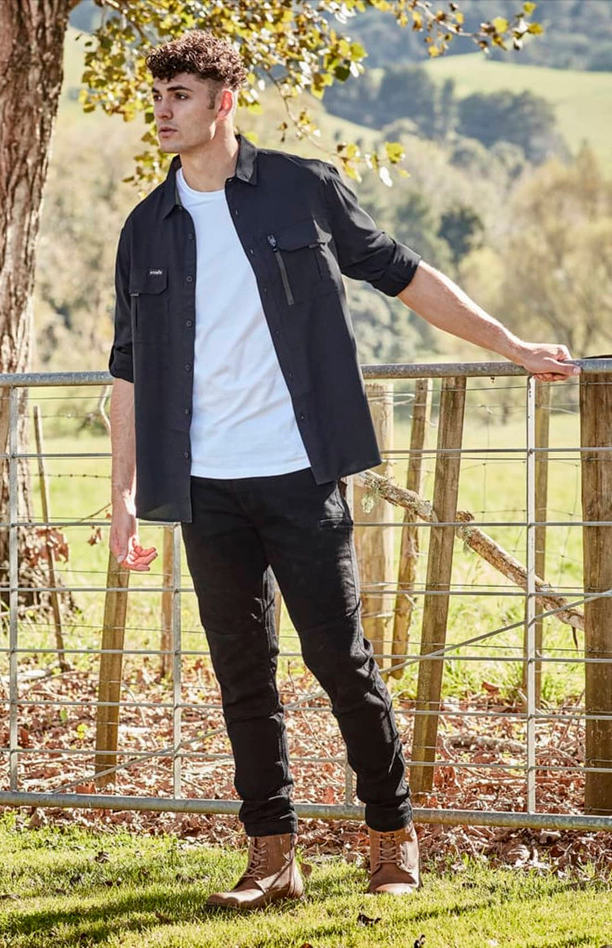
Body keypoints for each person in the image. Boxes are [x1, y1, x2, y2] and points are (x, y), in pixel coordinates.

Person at [108, 30, 578, 910]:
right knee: (242, 674)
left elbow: (406, 275)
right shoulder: (147, 227)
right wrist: (125, 495)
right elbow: (127, 369)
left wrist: (509, 344)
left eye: (179, 94)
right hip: (205, 489)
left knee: (341, 661)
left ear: (223, 102)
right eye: (158, 96)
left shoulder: (303, 187)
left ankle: (392, 841)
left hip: (299, 472)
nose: (163, 111)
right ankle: (271, 858)